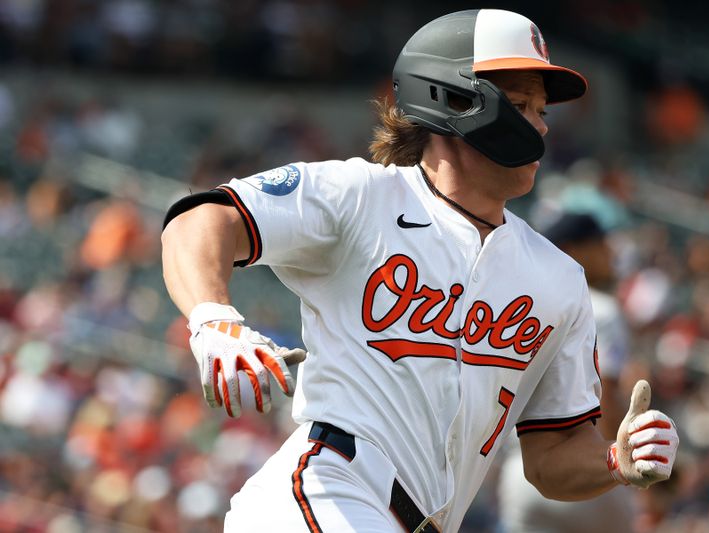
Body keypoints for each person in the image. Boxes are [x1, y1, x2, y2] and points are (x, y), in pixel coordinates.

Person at [161, 9, 679, 533]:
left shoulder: (558, 277)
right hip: (326, 490)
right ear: (452, 98)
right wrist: (212, 318)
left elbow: (553, 455)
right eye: (521, 105)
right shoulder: (362, 195)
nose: (542, 125)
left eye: (542, 110)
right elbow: (202, 218)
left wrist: (615, 461)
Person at [497, 212, 638, 533]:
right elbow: (608, 399)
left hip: (519, 471)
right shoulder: (600, 307)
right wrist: (620, 460)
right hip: (582, 468)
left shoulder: (526, 301)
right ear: (573, 249)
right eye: (600, 244)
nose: (610, 252)